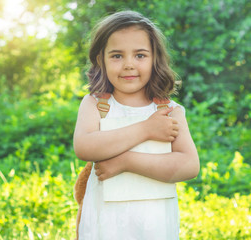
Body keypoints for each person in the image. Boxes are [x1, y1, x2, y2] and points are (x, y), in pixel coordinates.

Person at [73, 10, 200, 240]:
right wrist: (146, 129)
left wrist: (126, 162)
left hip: (154, 225)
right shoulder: (95, 105)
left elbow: (189, 165)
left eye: (140, 55)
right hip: (104, 225)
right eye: (117, 56)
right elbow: (84, 146)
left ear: (155, 60)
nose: (129, 64)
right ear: (101, 59)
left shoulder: (170, 111)